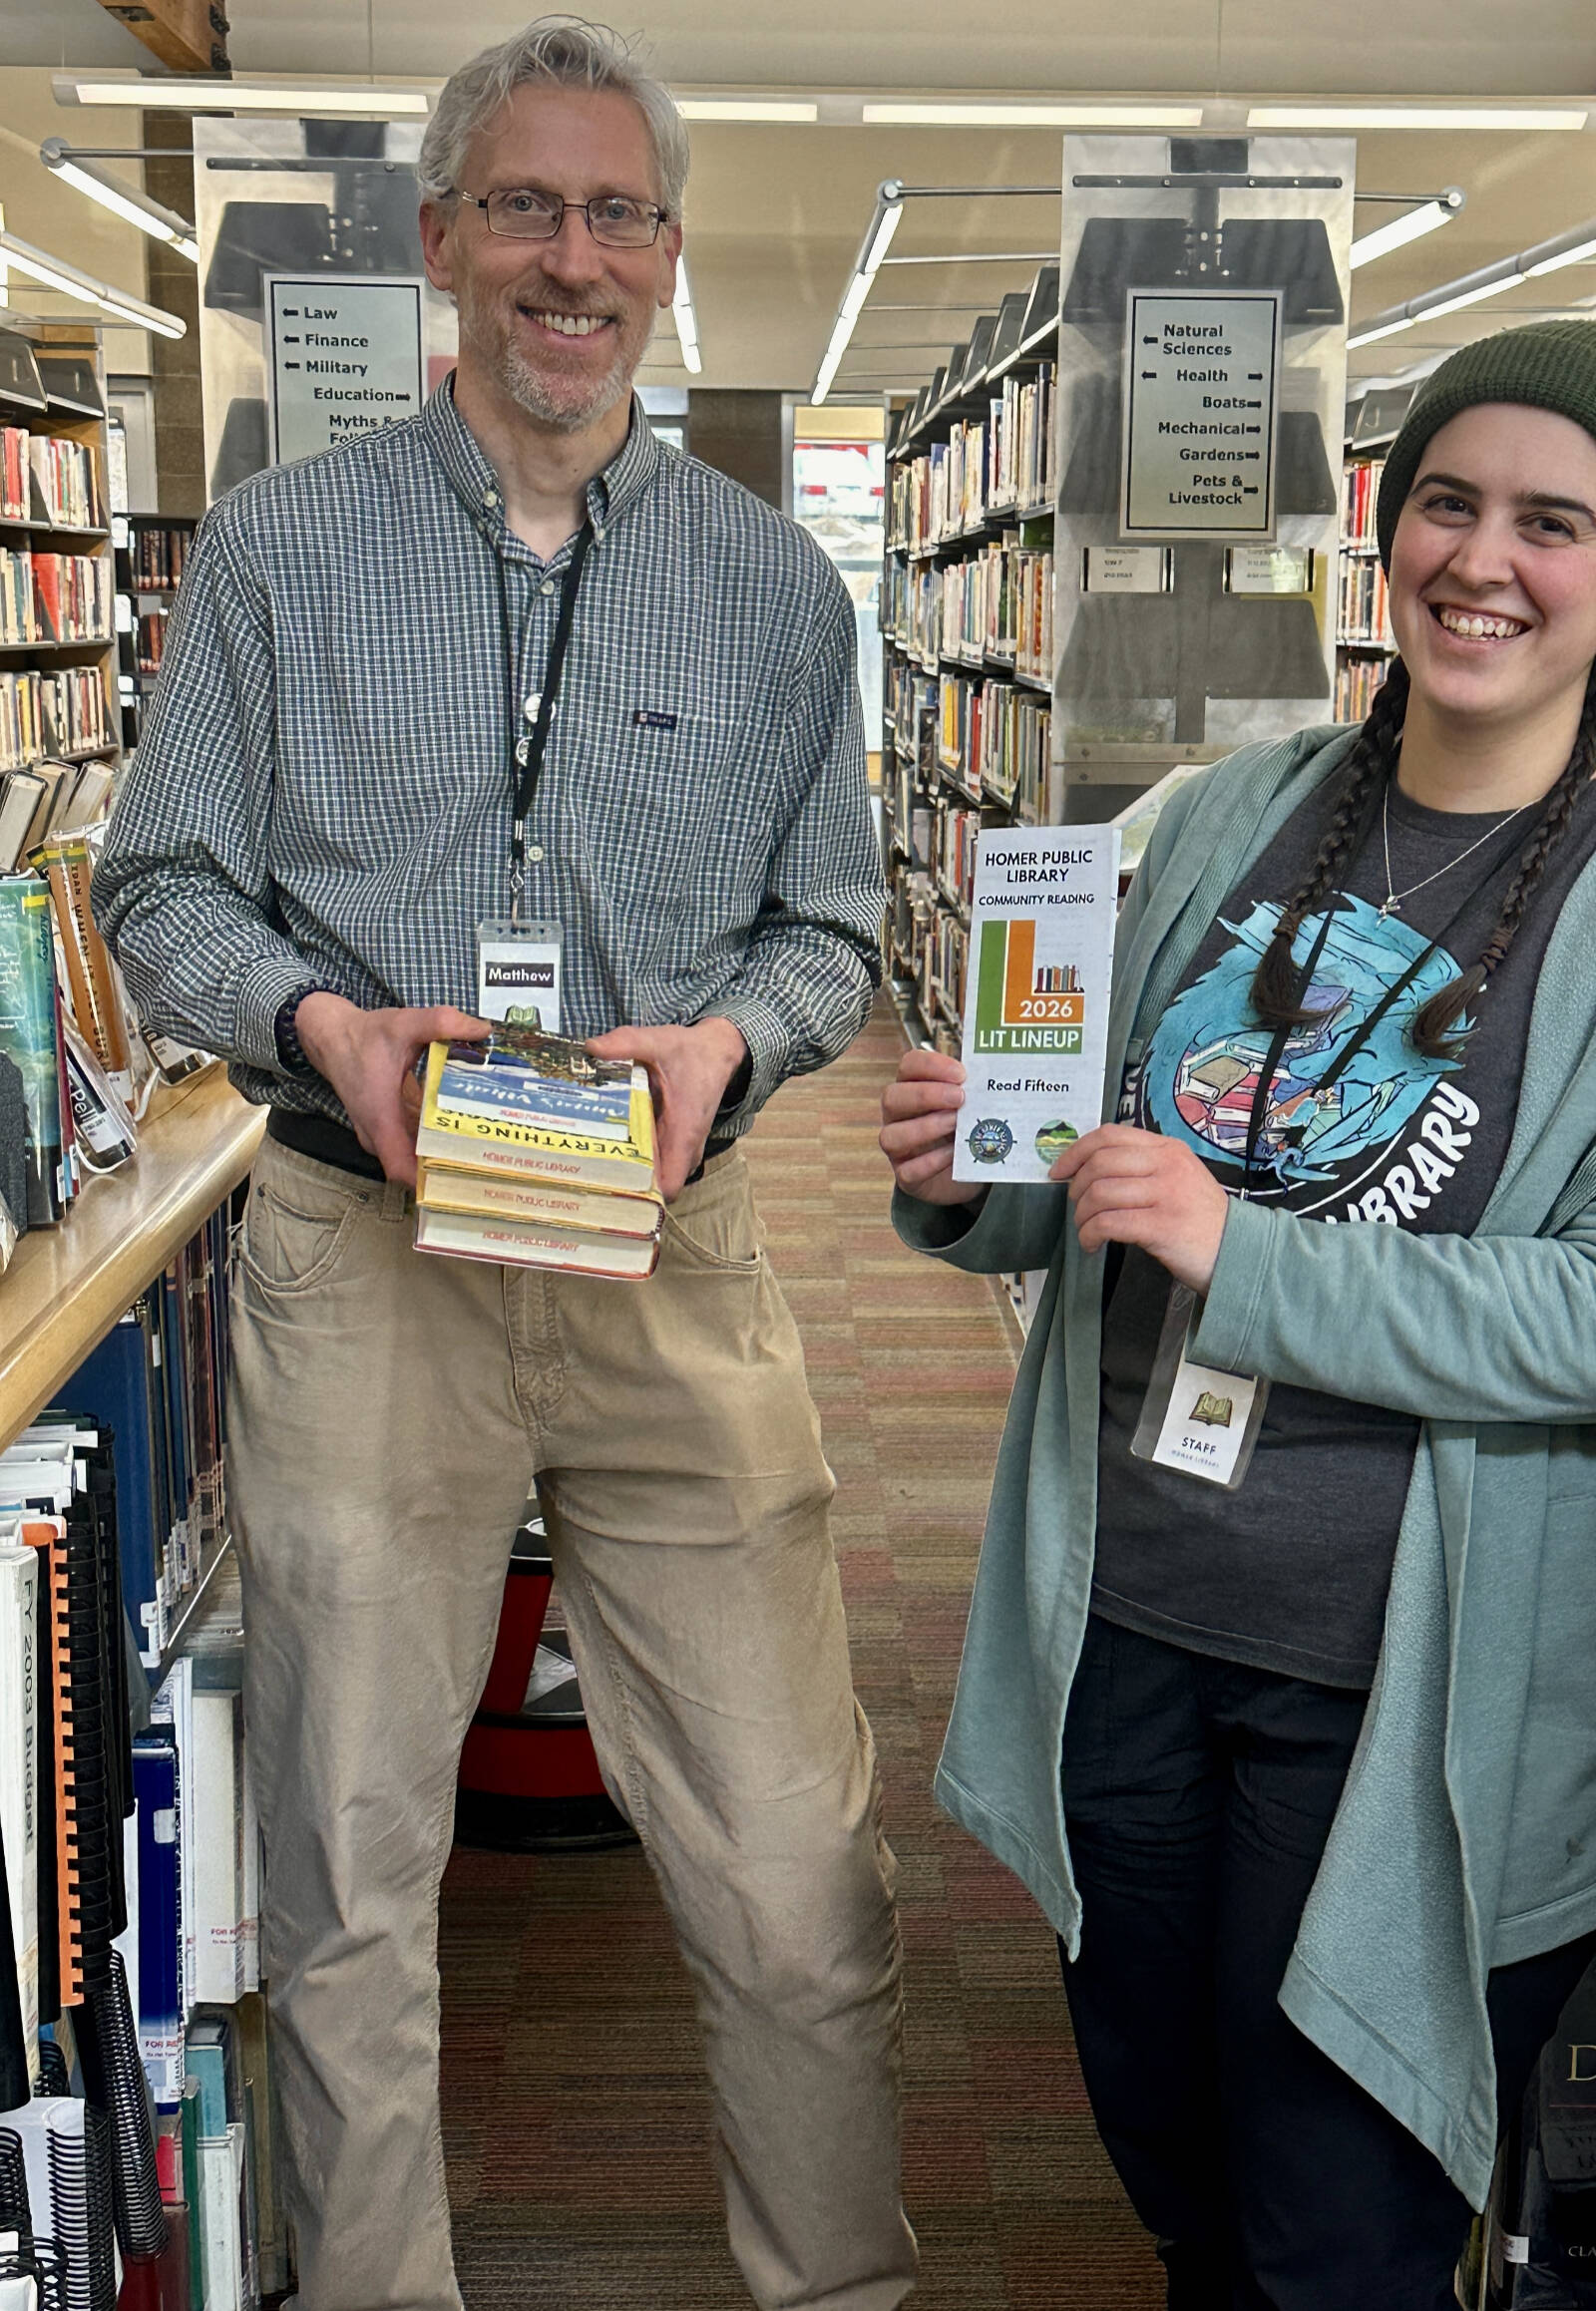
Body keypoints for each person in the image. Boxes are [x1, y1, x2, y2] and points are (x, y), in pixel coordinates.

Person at [94, 20, 916, 2311]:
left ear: (666, 256)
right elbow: (163, 886)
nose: (575, 259)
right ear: (442, 241)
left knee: (789, 1853)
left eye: (619, 213)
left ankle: (835, 2285)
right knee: (349, 1858)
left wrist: (721, 1045)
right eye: (526, 209)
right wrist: (328, 1027)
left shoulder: (777, 596)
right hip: (369, 1254)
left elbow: (837, 927)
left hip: (679, 1243)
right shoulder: (273, 554)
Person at [879, 319, 1596, 2310]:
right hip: (1123, 1612)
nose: (1486, 558)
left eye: (1556, 523)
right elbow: (1097, 1189)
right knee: (1163, 2138)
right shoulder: (1224, 813)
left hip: (1397, 1677)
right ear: (1387, 527)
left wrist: (1250, 1256)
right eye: (1450, 501)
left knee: (1338, 2221)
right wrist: (980, 1173)